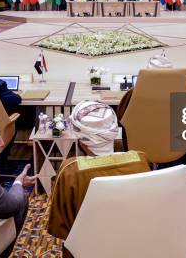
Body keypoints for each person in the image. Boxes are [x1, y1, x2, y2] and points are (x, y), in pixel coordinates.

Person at [48, 101, 150, 241]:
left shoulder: (70, 171)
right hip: (136, 241)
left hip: (87, 247)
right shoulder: (141, 161)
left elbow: (61, 228)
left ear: (81, 138)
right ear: (114, 131)